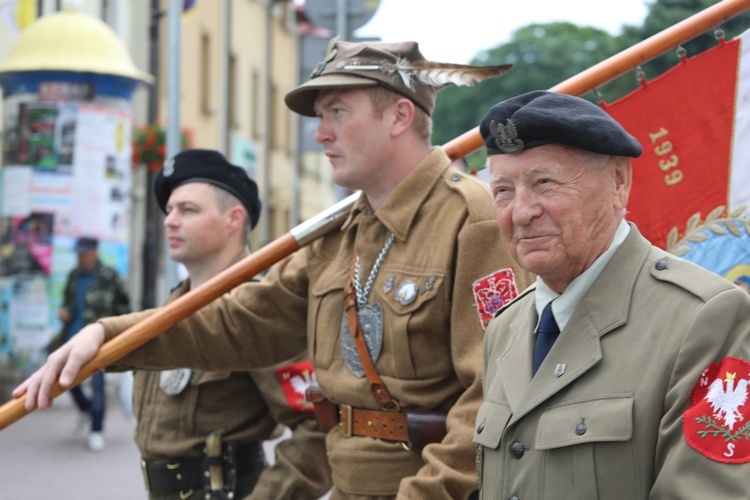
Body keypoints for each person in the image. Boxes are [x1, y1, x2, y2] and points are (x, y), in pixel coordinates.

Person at [16, 40, 534, 499]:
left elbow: (496, 396)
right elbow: (241, 323)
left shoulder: (474, 219)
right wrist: (107, 338)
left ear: (400, 116)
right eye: (320, 118)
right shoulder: (338, 234)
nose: (320, 135)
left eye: (336, 112)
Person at [473, 90, 750, 499]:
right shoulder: (505, 328)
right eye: (503, 190)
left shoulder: (705, 318)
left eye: (543, 183)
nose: (521, 212)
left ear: (619, 182)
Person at [57, 236, 130, 451]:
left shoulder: (110, 277)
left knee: (98, 385)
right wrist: (65, 313)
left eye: (85, 254)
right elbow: (67, 302)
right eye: (79, 254)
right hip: (71, 337)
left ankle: (96, 429)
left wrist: (118, 339)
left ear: (95, 252)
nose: (81, 258)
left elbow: (124, 309)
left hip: (98, 343)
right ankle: (86, 410)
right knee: (64, 379)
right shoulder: (73, 276)